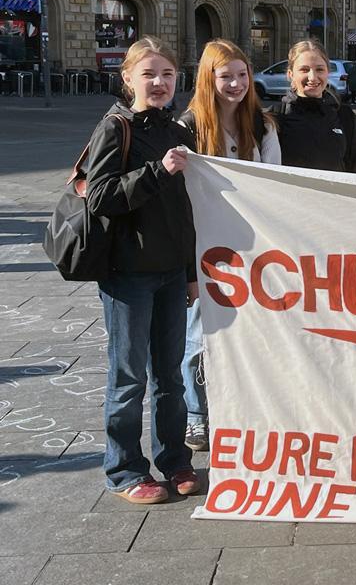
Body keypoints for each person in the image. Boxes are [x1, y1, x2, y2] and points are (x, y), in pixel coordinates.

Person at [83, 37, 199, 504]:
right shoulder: (115, 128)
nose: (159, 82)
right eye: (149, 74)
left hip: (172, 272)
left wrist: (191, 272)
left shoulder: (178, 131)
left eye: (167, 75)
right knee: (129, 377)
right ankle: (126, 470)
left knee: (169, 375)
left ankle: (175, 460)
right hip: (128, 273)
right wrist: (157, 171)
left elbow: (187, 211)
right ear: (127, 77)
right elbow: (100, 196)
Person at [177, 39, 279, 453]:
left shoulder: (263, 125)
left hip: (252, 245)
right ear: (209, 79)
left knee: (254, 330)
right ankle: (197, 417)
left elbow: (276, 185)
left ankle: (244, 407)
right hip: (203, 245)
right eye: (226, 77)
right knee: (200, 332)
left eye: (242, 75)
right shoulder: (188, 127)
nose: (235, 84)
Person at [272, 40, 356, 173]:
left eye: (319, 69)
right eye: (304, 70)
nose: (312, 77)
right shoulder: (275, 117)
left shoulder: (345, 116)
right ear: (291, 74)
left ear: (327, 73)